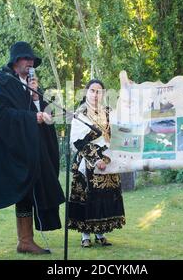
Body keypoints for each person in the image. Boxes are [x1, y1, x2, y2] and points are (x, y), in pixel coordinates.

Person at [0, 41, 65, 260]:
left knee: (25, 193)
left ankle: (25, 241)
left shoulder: (32, 87)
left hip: (21, 150)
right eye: (27, 59)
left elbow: (41, 116)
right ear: (16, 61)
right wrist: (32, 117)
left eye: (33, 60)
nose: (31, 63)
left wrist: (36, 98)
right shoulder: (0, 81)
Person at [67, 79, 126, 248]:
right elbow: (78, 142)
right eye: (92, 91)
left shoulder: (108, 112)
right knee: (89, 198)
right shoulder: (81, 114)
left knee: (105, 198)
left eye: (99, 91)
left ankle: (100, 233)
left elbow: (116, 135)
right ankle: (85, 235)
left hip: (108, 160)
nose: (95, 94)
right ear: (86, 92)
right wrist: (95, 159)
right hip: (88, 160)